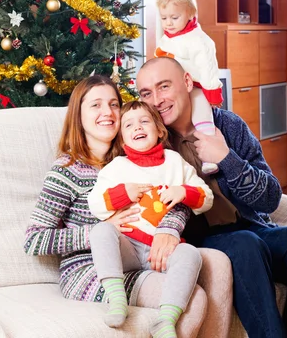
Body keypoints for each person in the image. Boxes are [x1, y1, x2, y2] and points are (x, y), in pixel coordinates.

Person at [136, 56, 287, 338]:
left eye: (164, 86)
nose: (157, 99)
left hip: (253, 229)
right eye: (146, 93)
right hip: (199, 242)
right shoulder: (147, 138)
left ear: (187, 82)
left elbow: (270, 199)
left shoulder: (227, 125)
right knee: (245, 243)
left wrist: (227, 158)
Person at [24, 75, 207, 338]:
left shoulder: (134, 157)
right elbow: (34, 240)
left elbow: (173, 196)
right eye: (95, 105)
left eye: (113, 104)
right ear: (78, 115)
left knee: (218, 265)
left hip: (144, 252)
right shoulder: (67, 170)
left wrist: (169, 228)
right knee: (195, 299)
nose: (107, 112)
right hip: (90, 270)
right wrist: (100, 228)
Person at [88, 100, 213, 336]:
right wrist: (124, 193)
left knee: (191, 254)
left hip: (164, 252)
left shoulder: (175, 162)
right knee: (101, 231)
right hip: (129, 247)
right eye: (129, 125)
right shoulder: (117, 167)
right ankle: (117, 300)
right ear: (122, 139)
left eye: (145, 121)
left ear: (159, 130)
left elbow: (206, 197)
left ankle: (165, 320)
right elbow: (95, 204)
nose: (138, 128)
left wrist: (183, 191)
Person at [155, 0, 222, 174]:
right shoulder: (167, 37)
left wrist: (213, 94)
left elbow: (208, 69)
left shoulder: (200, 42)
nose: (168, 23)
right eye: (164, 18)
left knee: (201, 113)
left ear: (191, 14)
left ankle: (209, 156)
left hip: (197, 86)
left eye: (174, 17)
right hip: (173, 88)